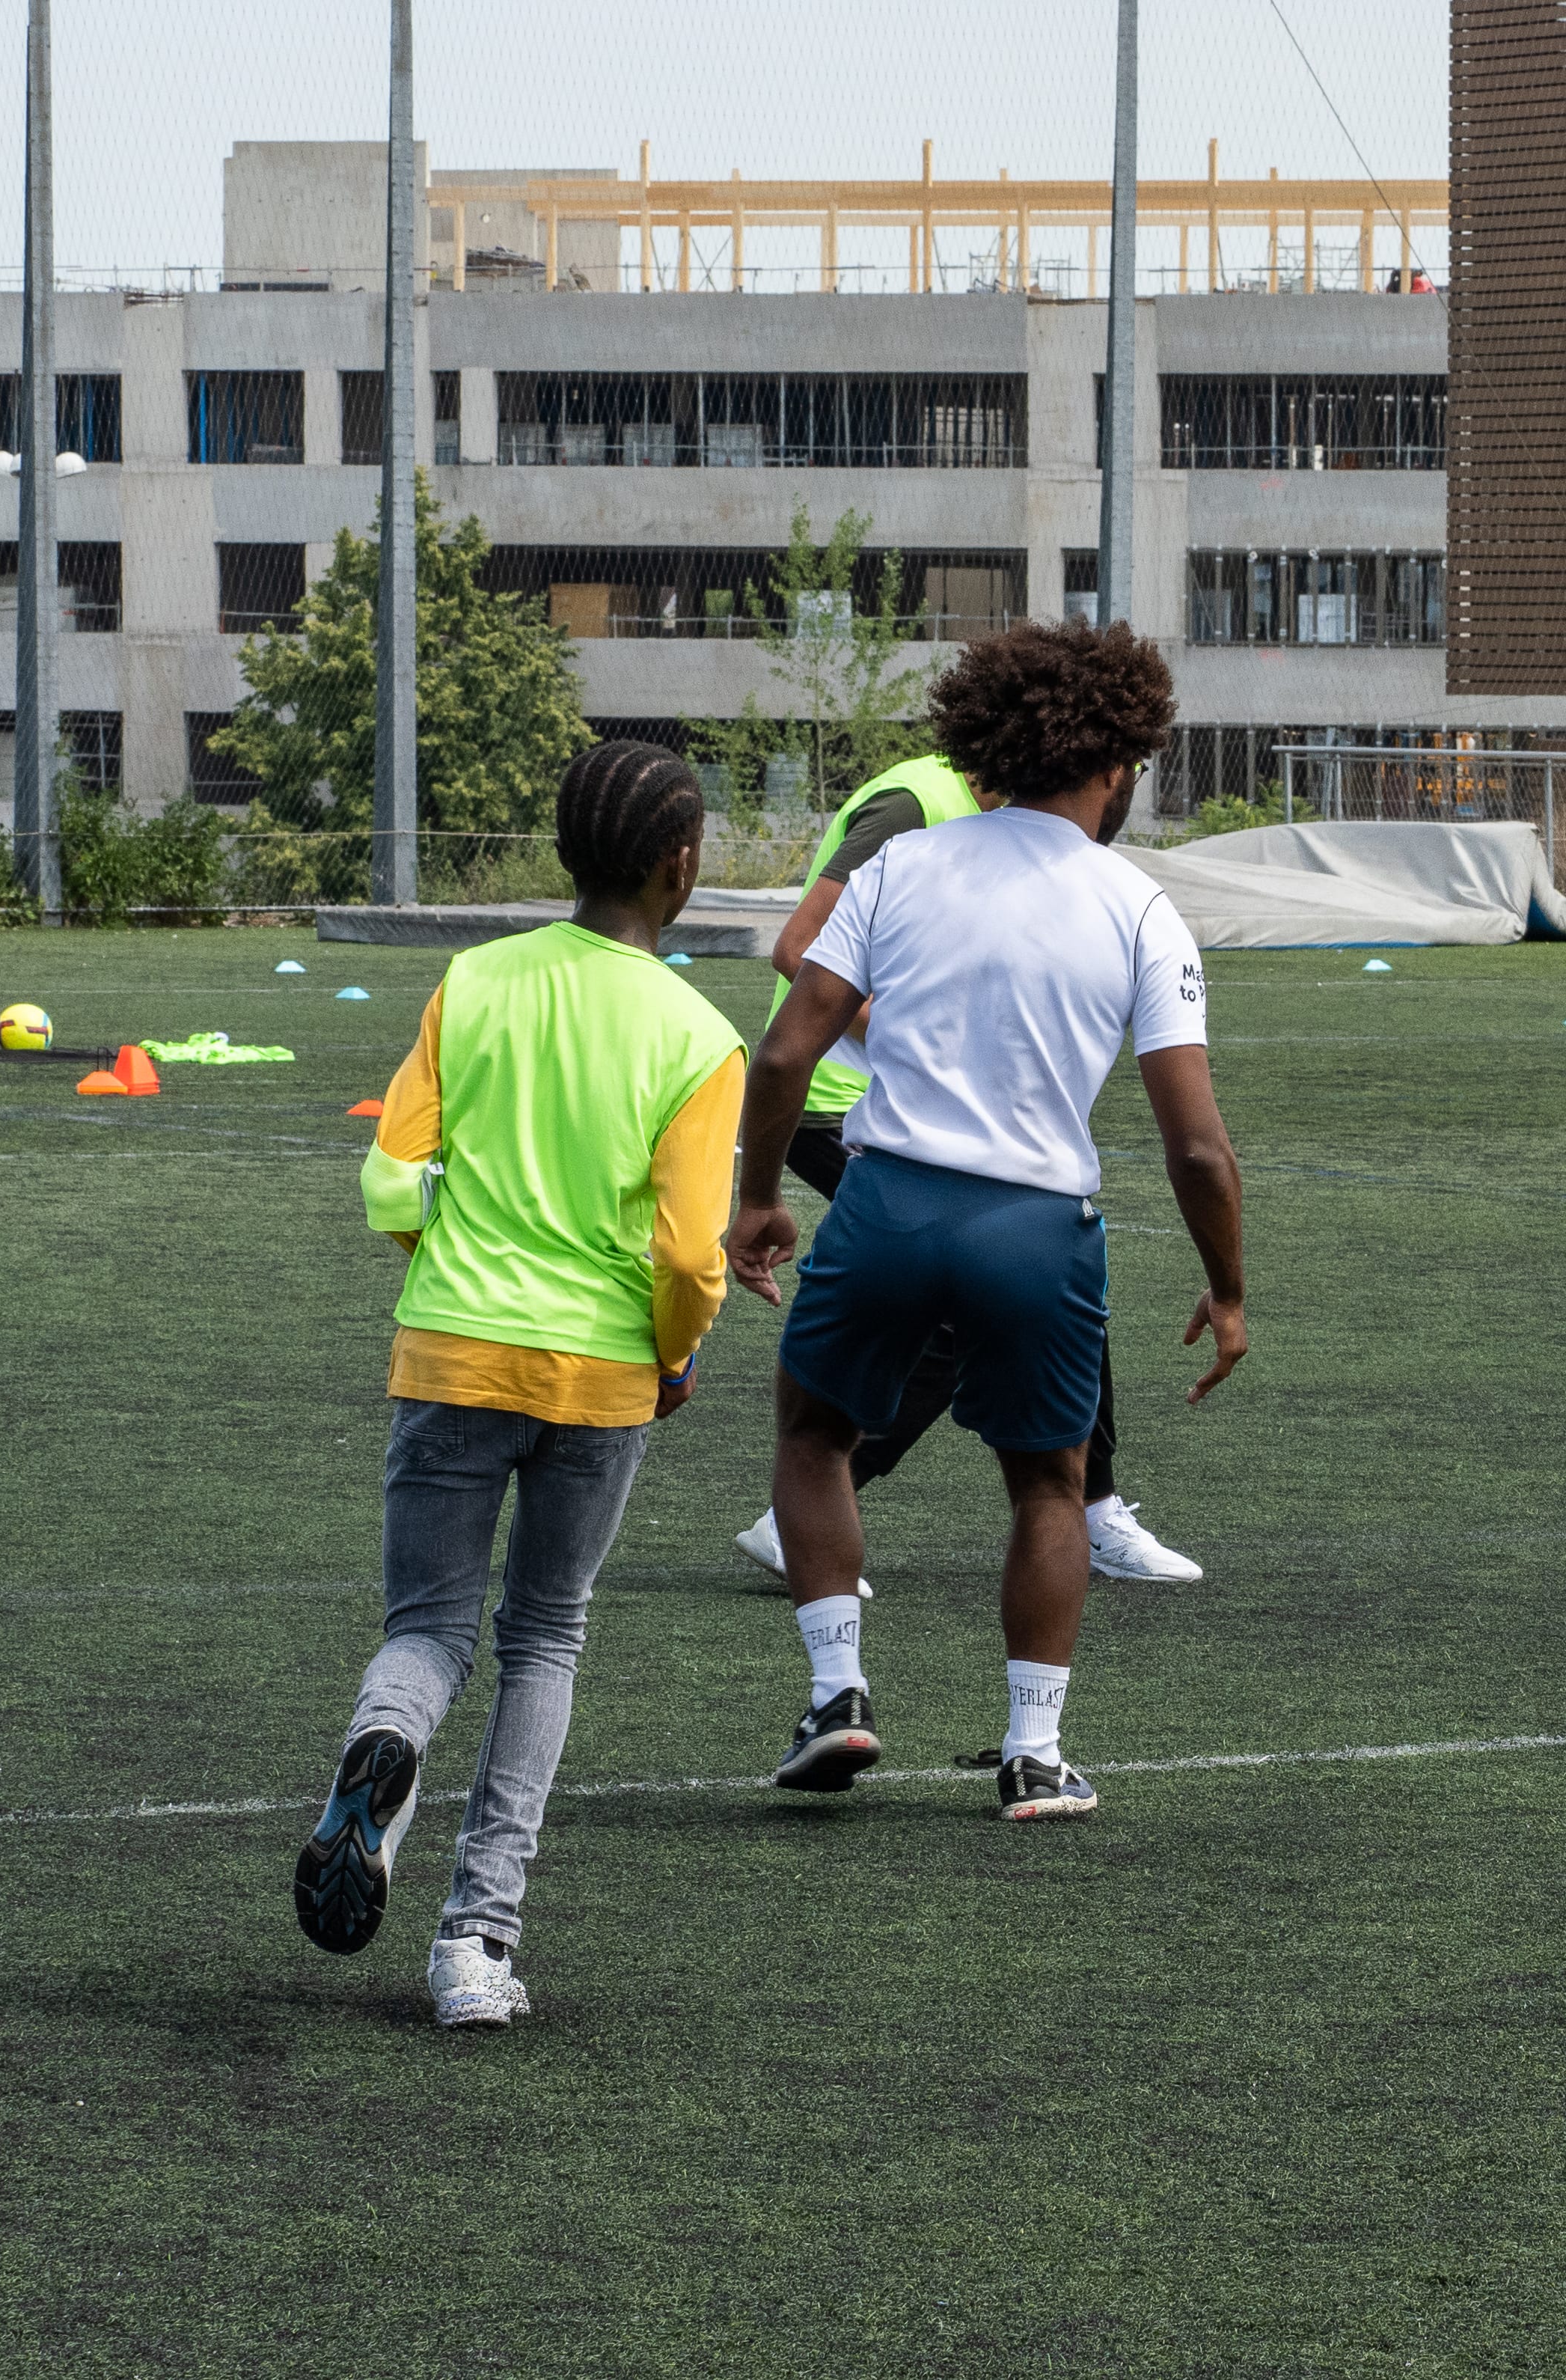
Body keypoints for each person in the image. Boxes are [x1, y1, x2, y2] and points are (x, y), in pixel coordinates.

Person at [725, 620, 1247, 1821]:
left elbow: (787, 1049)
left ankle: (838, 1697)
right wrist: (1228, 1289)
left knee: (813, 1438)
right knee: (1050, 1488)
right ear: (1117, 764)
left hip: (892, 1203)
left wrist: (758, 1199)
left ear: (984, 740)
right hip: (1036, 1228)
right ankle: (1034, 1755)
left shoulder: (903, 869)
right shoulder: (1139, 906)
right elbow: (1198, 1144)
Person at [292, 742, 744, 2027]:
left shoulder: (473, 980)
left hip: (452, 1344)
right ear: (682, 863)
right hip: (601, 1365)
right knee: (544, 1633)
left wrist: (446, 1258)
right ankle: (474, 1947)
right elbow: (685, 1251)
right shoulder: (701, 1036)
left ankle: (383, 1748)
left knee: (427, 1628)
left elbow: (391, 1175)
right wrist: (673, 1350)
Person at [729, 751, 1206, 1596]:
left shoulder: (1024, 837)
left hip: (912, 1107)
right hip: (846, 1100)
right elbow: (798, 945)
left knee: (1051, 1255)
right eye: (1123, 763)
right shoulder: (914, 807)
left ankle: (1092, 1506)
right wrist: (927, 1046)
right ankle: (806, 1504)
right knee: (958, 1294)